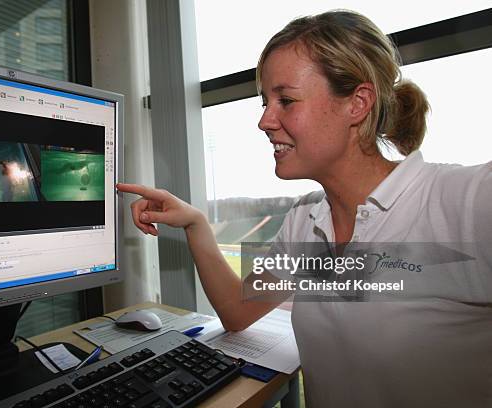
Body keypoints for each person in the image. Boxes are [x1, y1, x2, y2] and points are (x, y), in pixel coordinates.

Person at [118, 10, 492, 408]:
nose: (264, 120)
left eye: (286, 100)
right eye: (265, 102)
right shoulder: (306, 221)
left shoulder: (463, 201)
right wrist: (195, 224)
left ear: (358, 103)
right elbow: (236, 311)